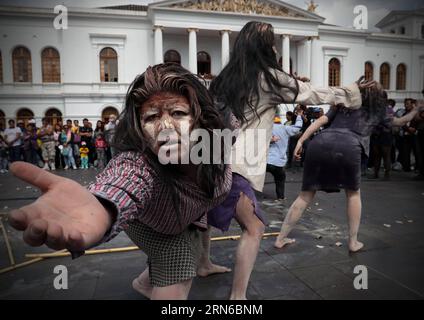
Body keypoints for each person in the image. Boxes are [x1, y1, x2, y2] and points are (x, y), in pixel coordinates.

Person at [8, 63, 232, 300]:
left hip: (185, 218)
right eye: (152, 117)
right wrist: (102, 206)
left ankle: (143, 283)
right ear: (140, 129)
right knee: (179, 261)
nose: (165, 127)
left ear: (201, 120)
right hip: (147, 220)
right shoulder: (139, 165)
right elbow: (123, 182)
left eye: (178, 113)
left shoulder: (219, 145)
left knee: (192, 248)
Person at [200, 21, 372, 300]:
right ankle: (238, 297)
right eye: (271, 43)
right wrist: (351, 92)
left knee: (204, 216)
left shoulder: (225, 78)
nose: (274, 47)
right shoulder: (268, 77)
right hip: (238, 164)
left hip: (212, 158)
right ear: (266, 47)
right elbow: (313, 94)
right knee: (254, 228)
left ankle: (203, 263)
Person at [274, 85, 423, 252]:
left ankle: (280, 238)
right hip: (349, 146)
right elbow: (400, 122)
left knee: (305, 196)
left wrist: (301, 141)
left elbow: (321, 121)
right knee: (353, 193)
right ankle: (353, 242)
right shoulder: (376, 111)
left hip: (320, 143)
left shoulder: (343, 104)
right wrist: (416, 109)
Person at [266, 113, 303, 201]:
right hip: (278, 162)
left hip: (266, 161)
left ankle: (247, 194)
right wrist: (299, 116)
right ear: (280, 120)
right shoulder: (285, 128)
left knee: (253, 177)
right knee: (280, 179)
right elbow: (298, 127)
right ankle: (281, 197)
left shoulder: (267, 129)